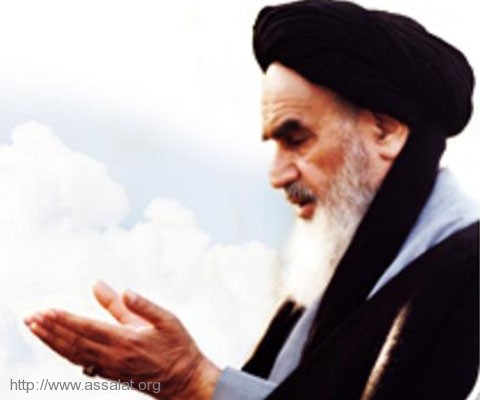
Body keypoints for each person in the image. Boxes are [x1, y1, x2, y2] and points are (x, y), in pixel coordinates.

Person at [25, 0, 478, 399]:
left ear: (386, 130)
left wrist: (194, 381)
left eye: (296, 139)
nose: (277, 175)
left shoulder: (467, 273)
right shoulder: (336, 278)